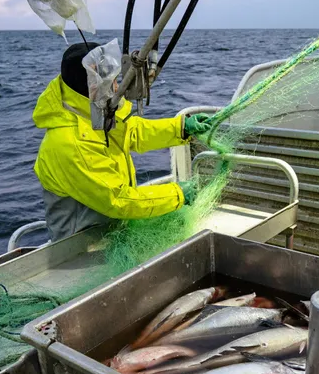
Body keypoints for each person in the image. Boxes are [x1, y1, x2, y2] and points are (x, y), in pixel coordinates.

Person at [32, 42, 213, 241]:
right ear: (91, 86)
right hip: (81, 253)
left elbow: (132, 131)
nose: (118, 87)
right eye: (110, 82)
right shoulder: (70, 143)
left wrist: (181, 127)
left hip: (111, 236)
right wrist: (177, 194)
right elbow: (118, 199)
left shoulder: (92, 114)